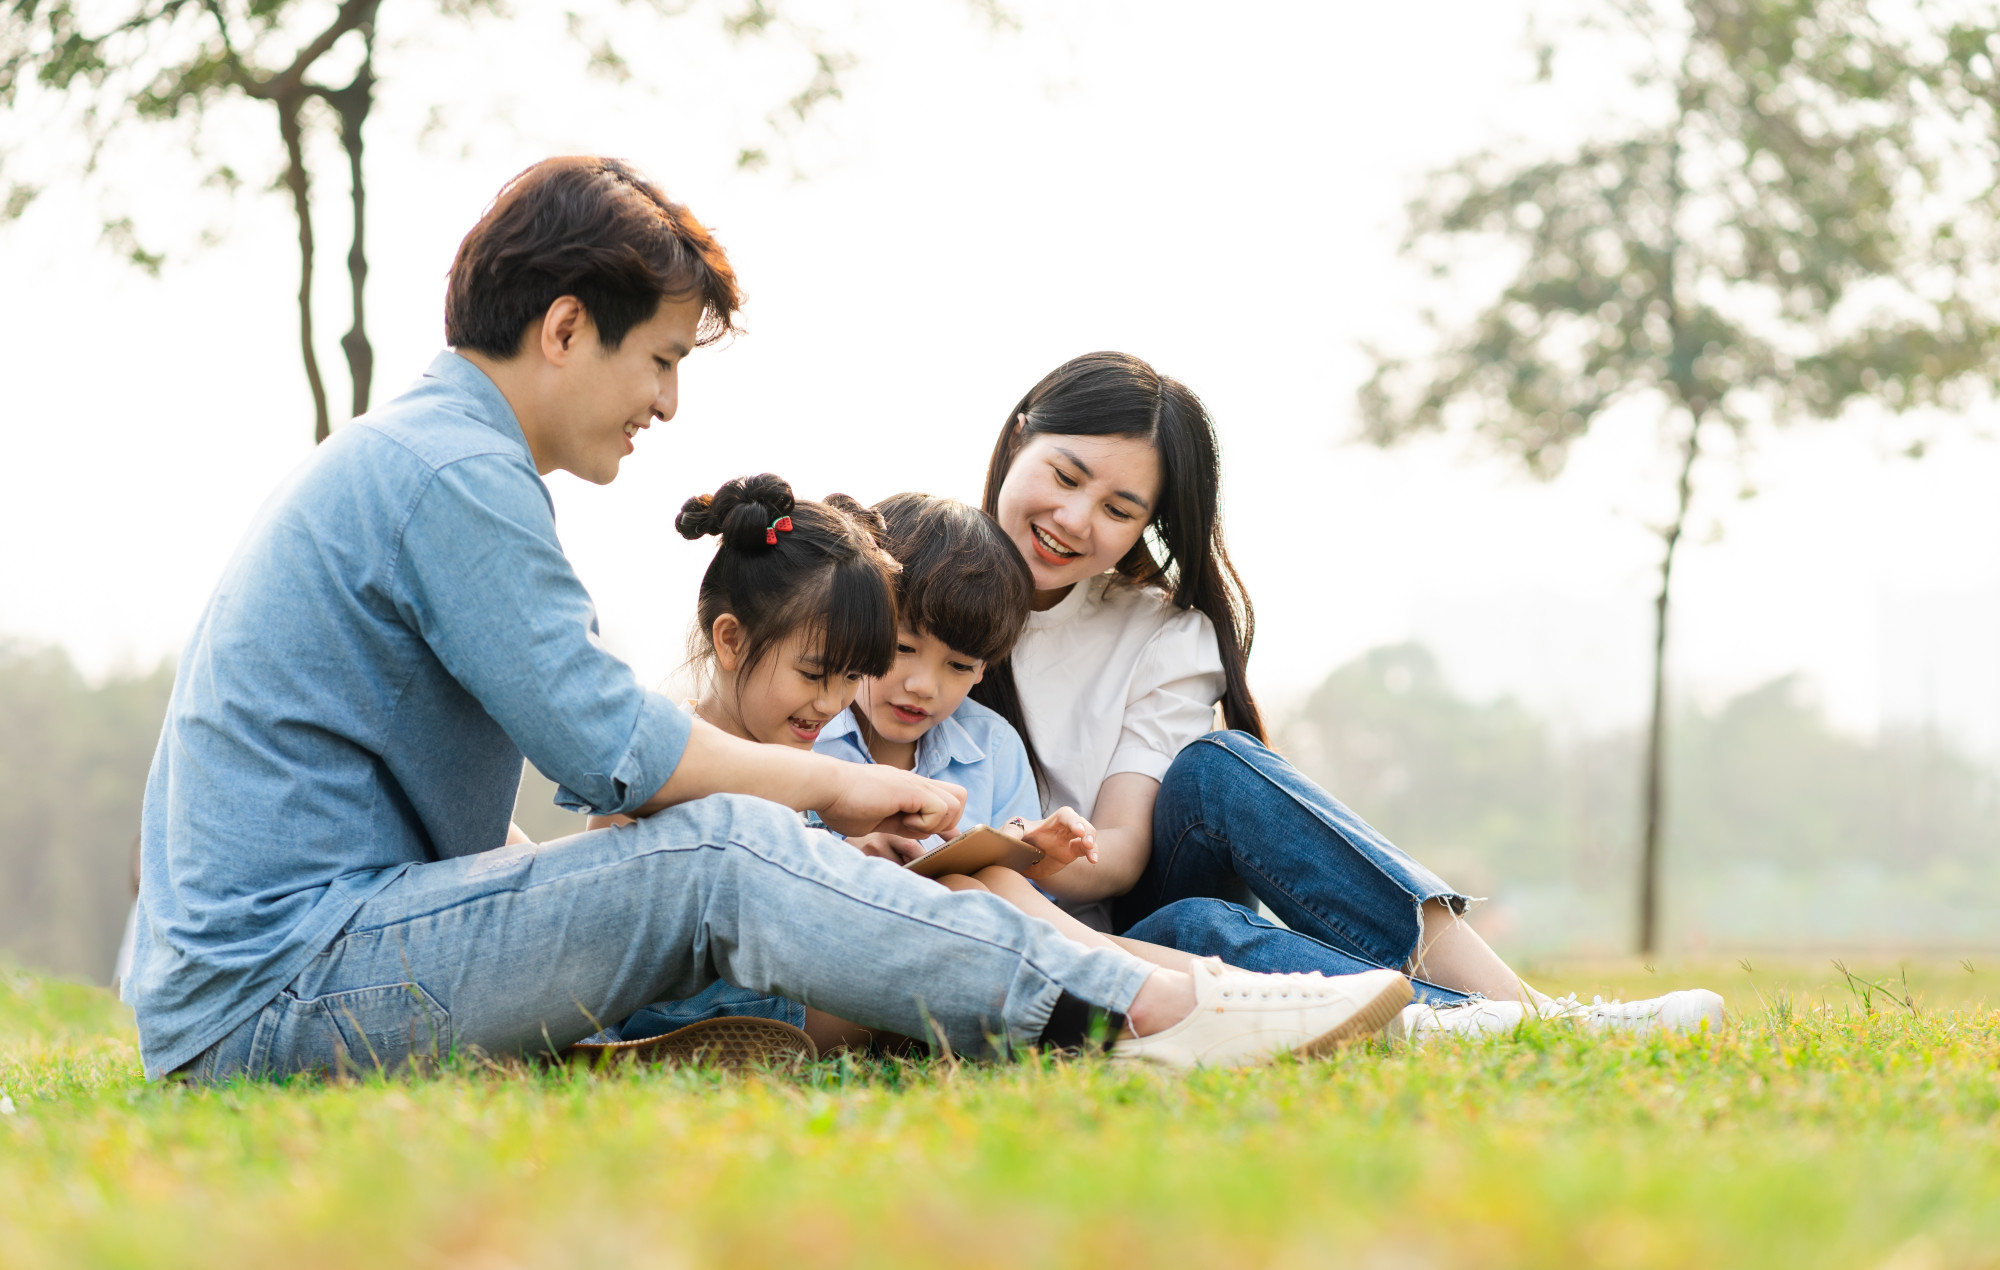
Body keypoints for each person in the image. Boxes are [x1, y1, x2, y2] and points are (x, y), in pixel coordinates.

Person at [124, 158, 1412, 1082]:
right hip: (276, 988)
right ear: (567, 327)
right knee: (719, 848)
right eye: (663, 359)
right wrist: (833, 789)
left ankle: (1162, 989)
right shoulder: (451, 475)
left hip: (285, 961)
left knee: (682, 854)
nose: (668, 405)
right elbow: (610, 744)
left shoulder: (430, 462)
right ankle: (1142, 1010)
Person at [973, 351, 1726, 1038]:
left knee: (1217, 768)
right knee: (1205, 926)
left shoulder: (1163, 632)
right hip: (983, 929)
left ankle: (1530, 1017)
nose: (1074, 521)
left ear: (1148, 525)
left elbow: (1123, 853)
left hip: (1117, 915)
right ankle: (1462, 1026)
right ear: (1017, 441)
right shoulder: (906, 594)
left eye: (1119, 509)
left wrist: (1025, 853)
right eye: (1067, 477)